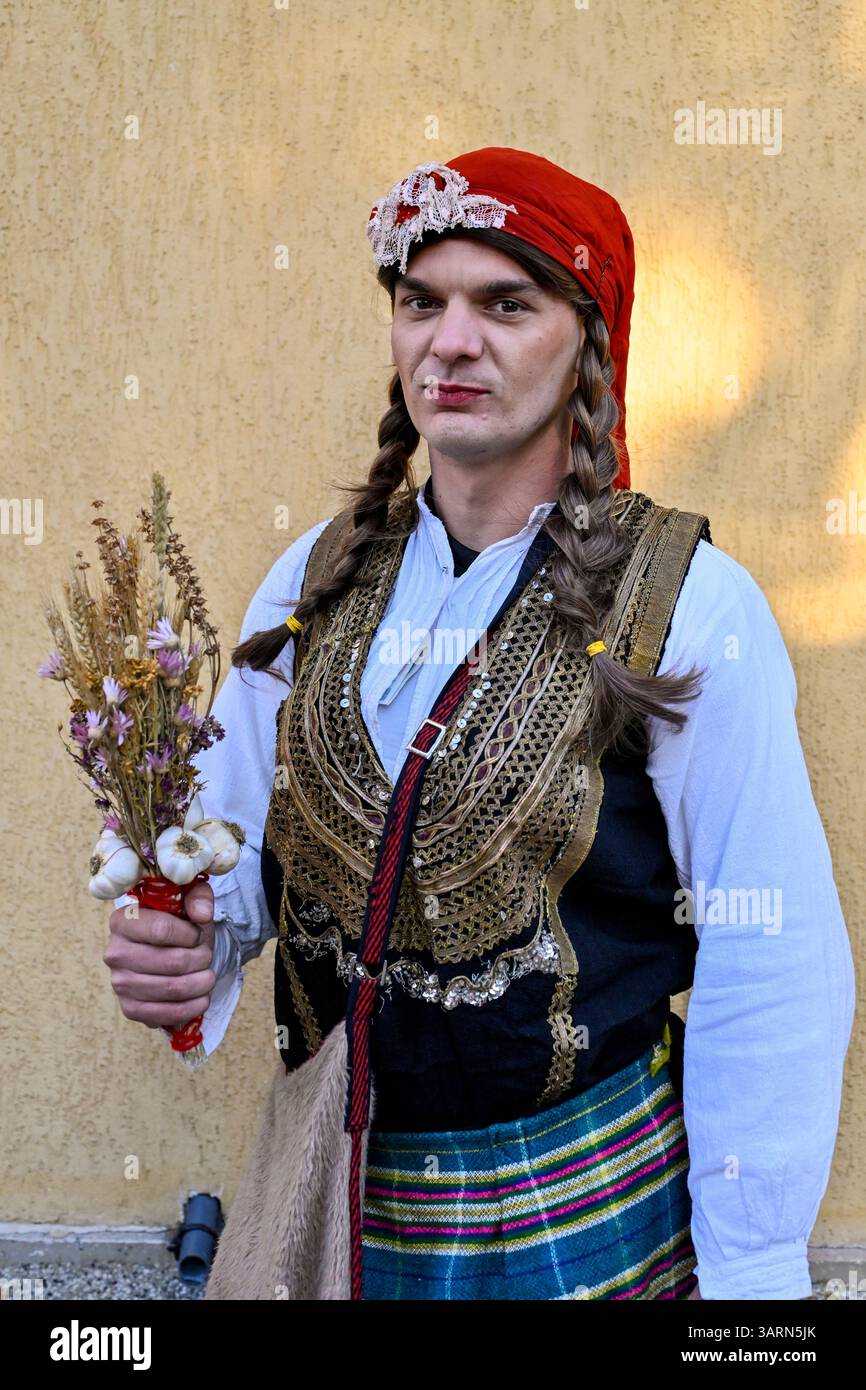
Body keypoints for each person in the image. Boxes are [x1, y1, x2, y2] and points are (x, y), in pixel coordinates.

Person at [105, 148, 855, 1301]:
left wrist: (751, 1277)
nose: (449, 343)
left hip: (582, 1208)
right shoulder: (308, 584)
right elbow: (237, 865)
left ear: (587, 345)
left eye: (505, 303)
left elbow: (772, 956)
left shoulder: (688, 604)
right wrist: (183, 946)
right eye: (421, 303)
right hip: (336, 1205)